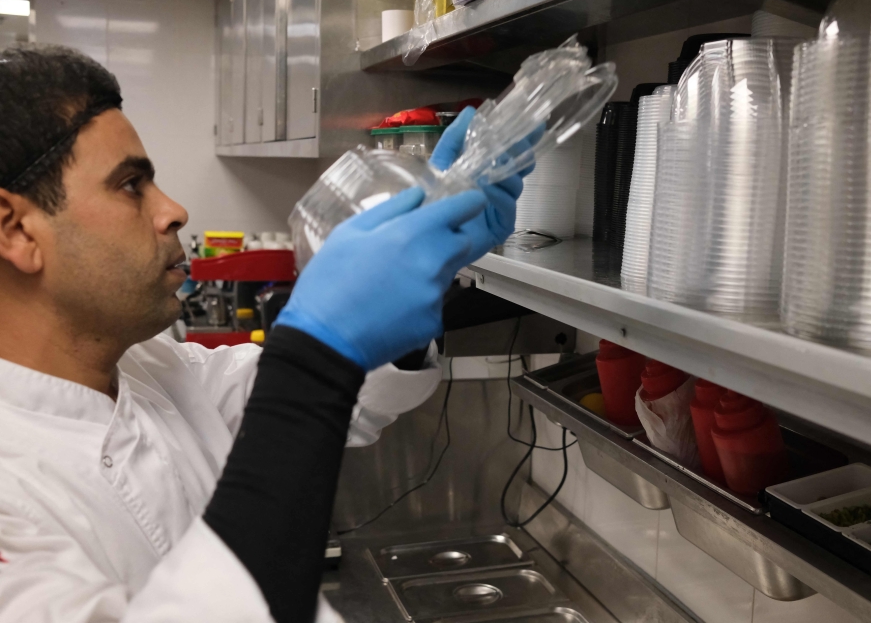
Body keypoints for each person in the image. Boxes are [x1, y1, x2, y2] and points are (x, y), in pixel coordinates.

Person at [0, 45, 531, 623]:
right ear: (16, 230)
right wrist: (320, 346)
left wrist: (421, 270)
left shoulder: (155, 371)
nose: (174, 210)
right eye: (131, 185)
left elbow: (339, 399)